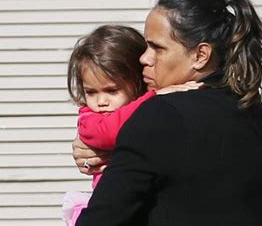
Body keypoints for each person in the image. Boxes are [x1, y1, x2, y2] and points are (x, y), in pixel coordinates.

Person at [74, 0, 262, 225]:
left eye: (157, 48)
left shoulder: (161, 113)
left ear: (200, 55)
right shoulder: (248, 107)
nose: (144, 58)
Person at [62, 25, 202, 226]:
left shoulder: (141, 109)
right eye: (91, 92)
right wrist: (154, 97)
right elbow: (108, 132)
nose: (101, 101)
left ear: (136, 83)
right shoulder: (89, 118)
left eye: (112, 90)